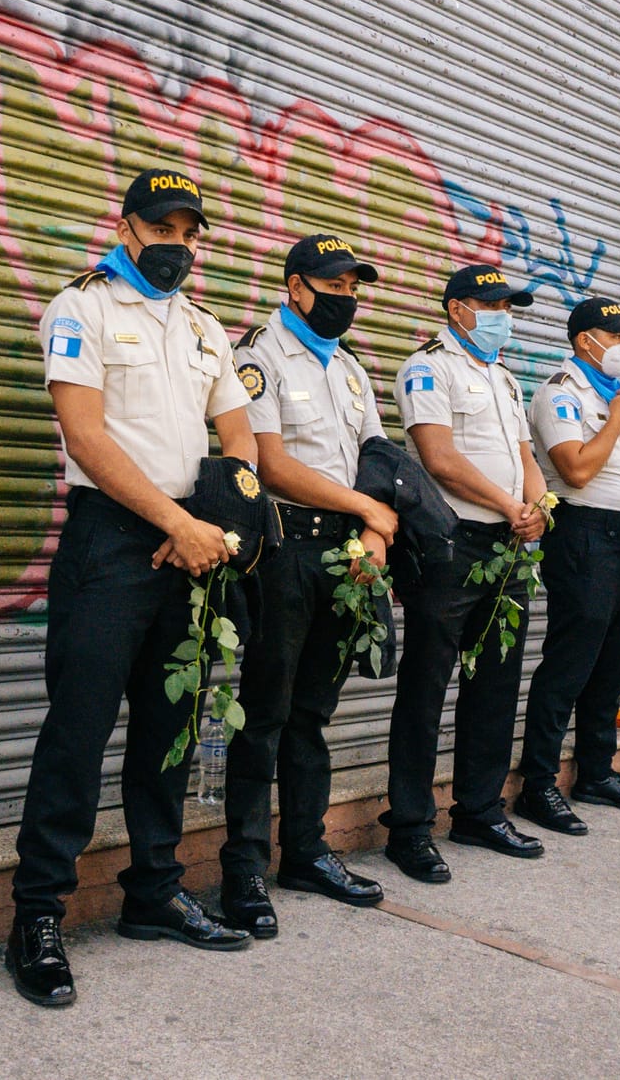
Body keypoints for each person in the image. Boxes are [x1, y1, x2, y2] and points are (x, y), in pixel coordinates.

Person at [4, 168, 257, 1008]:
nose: (177, 243)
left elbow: (239, 433)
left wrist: (219, 521)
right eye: (162, 227)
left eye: (191, 230)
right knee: (76, 733)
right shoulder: (82, 306)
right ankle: (37, 916)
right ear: (128, 225)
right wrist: (170, 524)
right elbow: (84, 432)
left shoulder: (205, 327)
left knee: (168, 730)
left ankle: (152, 892)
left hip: (192, 549)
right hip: (112, 542)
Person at [217, 234, 390, 938]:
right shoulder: (260, 355)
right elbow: (269, 463)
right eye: (333, 284)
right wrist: (367, 511)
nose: (345, 297)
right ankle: (245, 869)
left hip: (346, 556)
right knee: (264, 713)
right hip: (284, 551)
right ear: (296, 287)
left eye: (354, 285)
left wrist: (376, 534)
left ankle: (306, 851)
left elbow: (376, 456)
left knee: (313, 713)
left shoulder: (350, 368)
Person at [382, 264, 549, 882]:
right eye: (493, 303)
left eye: (510, 305)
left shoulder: (502, 377)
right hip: (451, 547)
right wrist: (509, 506)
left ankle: (479, 810)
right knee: (425, 689)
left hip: (507, 548)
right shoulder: (429, 367)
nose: (504, 314)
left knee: (497, 683)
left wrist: (536, 510)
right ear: (458, 309)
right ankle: (410, 827)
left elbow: (526, 457)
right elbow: (439, 457)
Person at [513, 297, 620, 836]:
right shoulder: (561, 393)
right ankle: (539, 785)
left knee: (613, 665)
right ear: (585, 341)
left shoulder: (617, 396)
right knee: (570, 665)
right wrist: (617, 419)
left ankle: (596, 773)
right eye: (617, 335)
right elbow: (574, 469)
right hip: (582, 534)